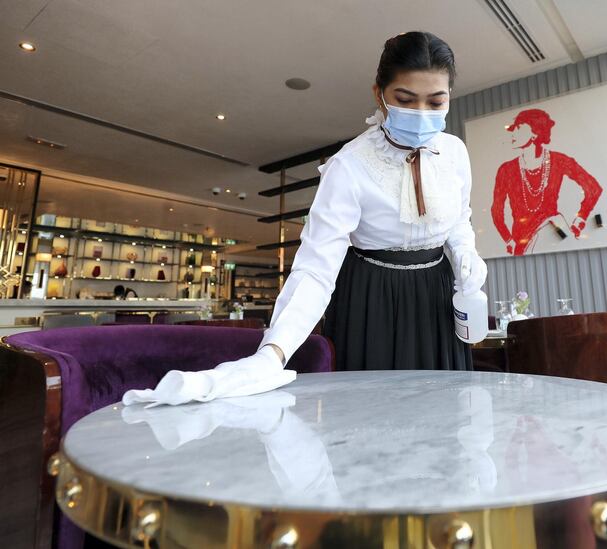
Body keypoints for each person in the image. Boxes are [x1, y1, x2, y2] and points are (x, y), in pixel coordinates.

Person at [123, 31, 488, 407]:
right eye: (406, 100)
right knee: (377, 418)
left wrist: (464, 253)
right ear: (379, 93)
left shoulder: (455, 152)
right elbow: (315, 267)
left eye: (436, 102)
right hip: (373, 298)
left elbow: (460, 217)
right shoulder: (349, 166)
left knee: (447, 418)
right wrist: (273, 352)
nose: (422, 114)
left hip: (439, 296)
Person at [491, 109, 603, 255]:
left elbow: (593, 188)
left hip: (554, 234)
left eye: (519, 128)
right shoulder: (506, 170)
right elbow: (496, 211)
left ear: (534, 134)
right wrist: (508, 239)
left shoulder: (558, 161)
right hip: (523, 243)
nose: (513, 133)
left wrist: (581, 218)